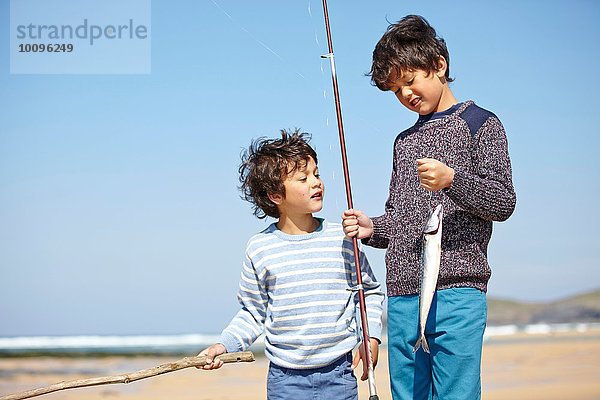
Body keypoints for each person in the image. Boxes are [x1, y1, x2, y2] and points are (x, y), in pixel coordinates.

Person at [342, 15, 516, 400]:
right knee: (408, 394)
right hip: (403, 294)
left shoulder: (481, 124)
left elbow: (503, 201)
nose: (405, 94)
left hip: (458, 291)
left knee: (456, 393)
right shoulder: (403, 142)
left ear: (440, 64)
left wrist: (453, 180)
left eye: (410, 80)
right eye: (395, 89)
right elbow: (402, 221)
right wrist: (373, 228)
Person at [198, 129, 384, 400]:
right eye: (303, 178)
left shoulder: (342, 238)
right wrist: (224, 345)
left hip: (339, 372)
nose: (316, 183)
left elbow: (367, 292)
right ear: (275, 195)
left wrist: (371, 338)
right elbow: (253, 312)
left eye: (316, 174)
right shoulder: (260, 248)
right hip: (285, 380)